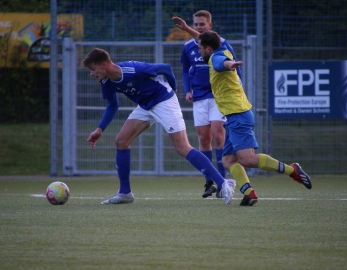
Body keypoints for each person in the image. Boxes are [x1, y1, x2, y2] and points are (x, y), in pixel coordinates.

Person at [172, 19, 312, 206]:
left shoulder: (216, 58)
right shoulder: (219, 48)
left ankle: (292, 170)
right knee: (228, 161)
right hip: (233, 116)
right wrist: (189, 29)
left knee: (247, 159)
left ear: (208, 50)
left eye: (200, 49)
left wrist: (231, 65)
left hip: (238, 115)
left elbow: (223, 63)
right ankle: (249, 193)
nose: (197, 52)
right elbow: (208, 44)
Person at [82, 48, 236, 205]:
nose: (92, 74)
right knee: (121, 141)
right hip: (145, 105)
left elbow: (165, 68)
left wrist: (174, 87)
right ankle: (125, 193)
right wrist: (99, 129)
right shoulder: (106, 82)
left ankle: (224, 183)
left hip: (163, 100)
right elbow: (113, 105)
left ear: (103, 65)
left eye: (93, 69)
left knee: (183, 147)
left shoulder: (134, 69)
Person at [179, 10, 242, 199]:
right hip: (199, 98)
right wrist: (187, 90)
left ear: (210, 26)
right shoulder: (189, 47)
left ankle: (223, 183)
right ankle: (210, 182)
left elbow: (232, 67)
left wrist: (239, 88)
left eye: (201, 24)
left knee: (218, 135)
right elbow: (184, 69)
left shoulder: (220, 44)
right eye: (196, 24)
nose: (198, 27)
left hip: (217, 97)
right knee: (203, 139)